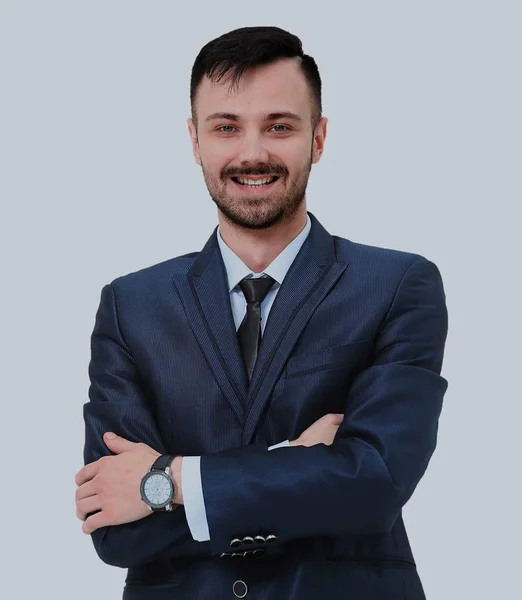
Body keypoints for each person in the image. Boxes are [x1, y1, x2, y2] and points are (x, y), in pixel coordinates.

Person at [75, 25, 449, 600]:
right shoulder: (131, 306)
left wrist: (169, 480)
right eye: (226, 127)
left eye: (280, 126)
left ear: (318, 139)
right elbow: (116, 529)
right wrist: (294, 462)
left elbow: (374, 485)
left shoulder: (398, 285)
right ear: (195, 142)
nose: (253, 152)